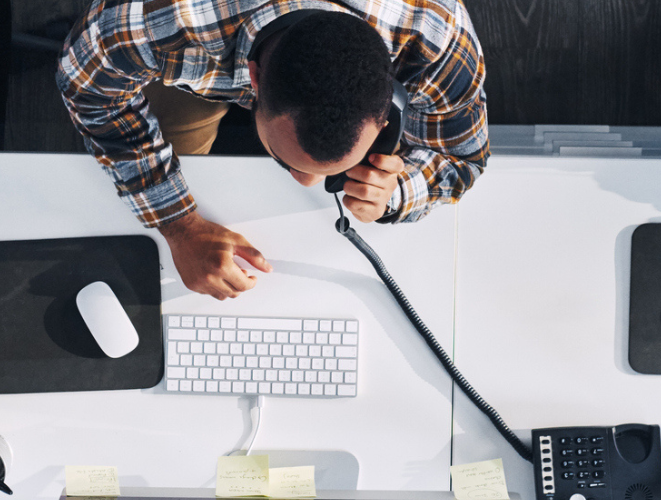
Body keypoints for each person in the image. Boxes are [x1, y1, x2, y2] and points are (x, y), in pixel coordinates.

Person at [59, 0, 489, 300]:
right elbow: (89, 90)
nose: (308, 183)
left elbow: (461, 157)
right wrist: (178, 223)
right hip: (203, 55)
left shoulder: (436, 35)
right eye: (288, 160)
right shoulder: (150, 21)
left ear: (392, 107)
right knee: (175, 143)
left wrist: (398, 191)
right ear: (254, 79)